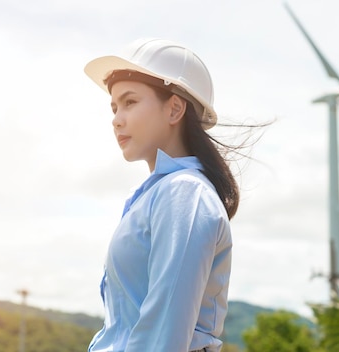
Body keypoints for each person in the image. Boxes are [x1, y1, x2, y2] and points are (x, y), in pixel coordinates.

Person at [83, 38, 238, 352]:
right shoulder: (156, 195)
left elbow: (163, 335)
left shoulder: (186, 194)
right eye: (114, 107)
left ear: (175, 108)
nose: (116, 118)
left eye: (130, 102)